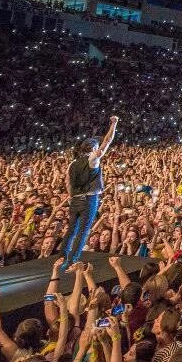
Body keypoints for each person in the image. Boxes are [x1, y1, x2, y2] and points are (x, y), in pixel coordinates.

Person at [62, 115, 117, 270]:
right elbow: (108, 141)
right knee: (83, 231)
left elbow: (68, 182)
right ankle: (73, 262)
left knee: (71, 230)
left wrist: (71, 197)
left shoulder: (72, 164)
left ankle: (62, 259)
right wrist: (114, 123)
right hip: (88, 199)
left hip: (75, 200)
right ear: (93, 148)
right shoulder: (92, 159)